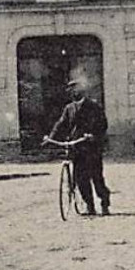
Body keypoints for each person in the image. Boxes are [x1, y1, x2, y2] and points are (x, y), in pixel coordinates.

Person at [43, 72, 111, 216]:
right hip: (77, 148)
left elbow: (102, 124)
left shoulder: (94, 107)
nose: (73, 92)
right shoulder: (69, 108)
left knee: (97, 178)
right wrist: (50, 137)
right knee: (81, 180)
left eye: (76, 89)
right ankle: (89, 206)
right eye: (71, 90)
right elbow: (60, 124)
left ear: (82, 90)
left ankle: (104, 203)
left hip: (92, 148)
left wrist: (94, 135)